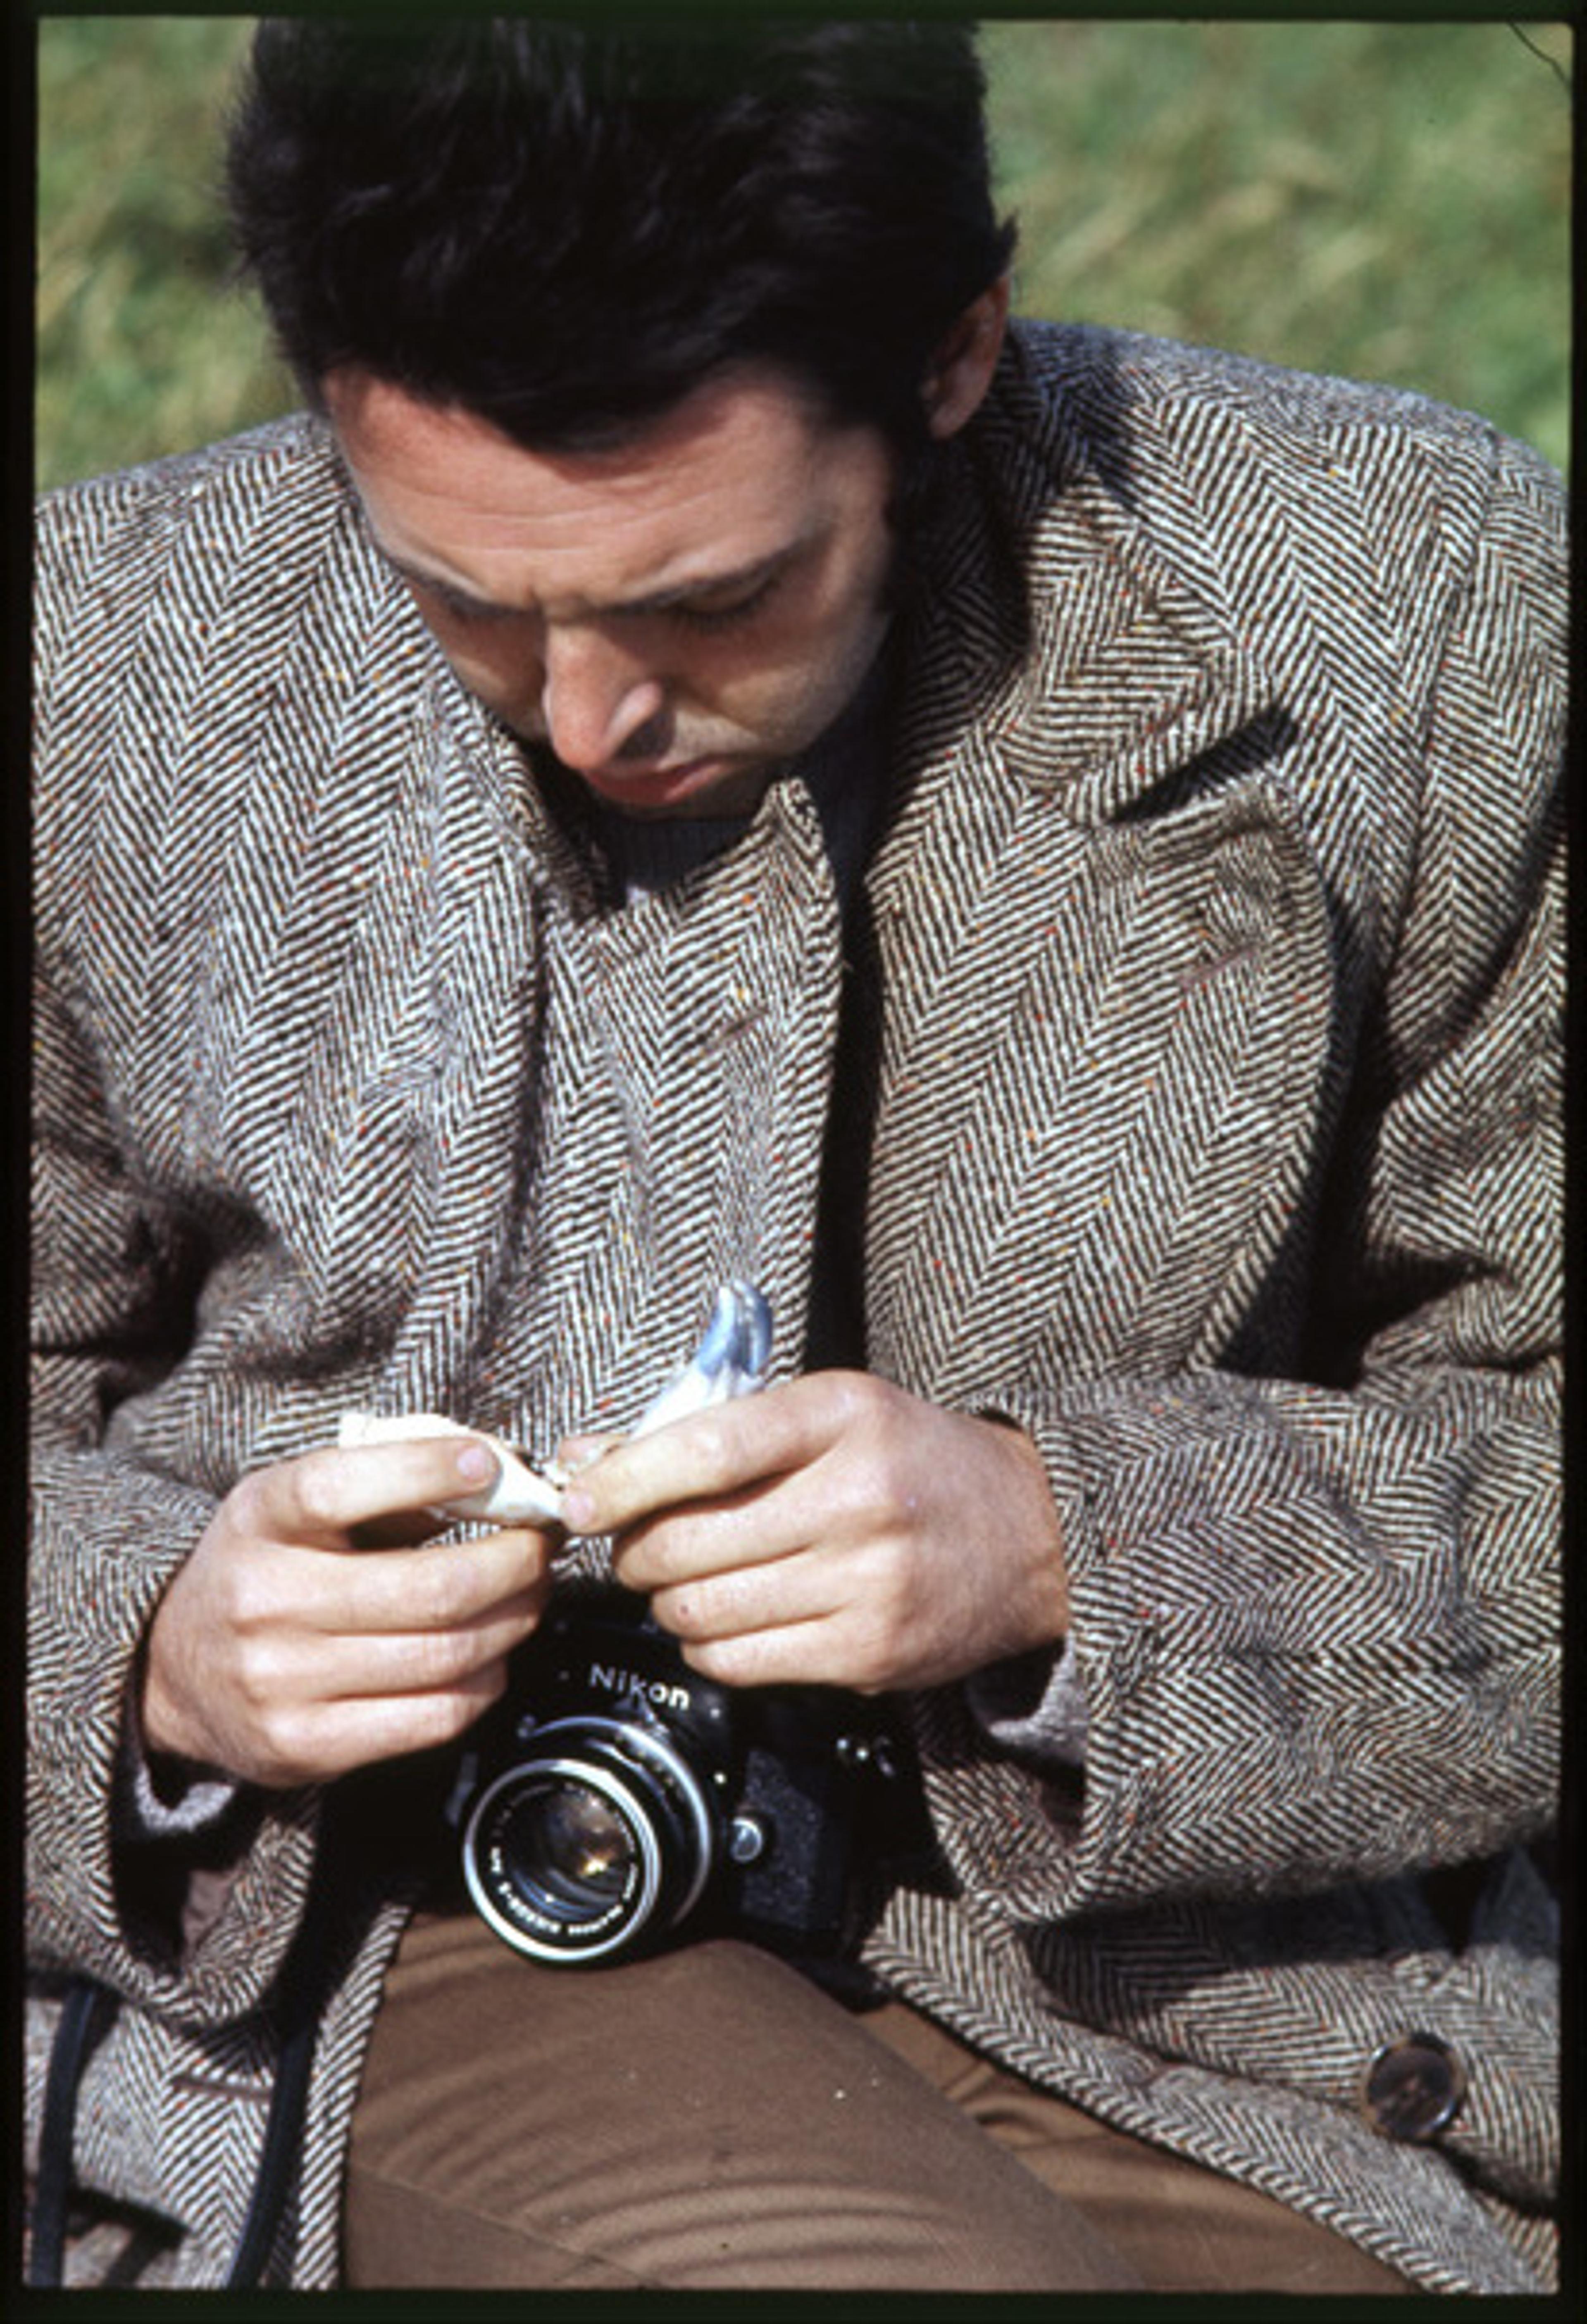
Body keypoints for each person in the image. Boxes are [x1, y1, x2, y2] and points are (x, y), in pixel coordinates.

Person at [28, 14, 1561, 2297]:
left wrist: (1070, 1550)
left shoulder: (1415, 618)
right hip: (376, 1940)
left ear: (950, 362)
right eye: (453, 592)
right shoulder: (99, 661)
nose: (584, 718)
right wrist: (149, 1652)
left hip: (1240, 2003)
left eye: (710, 598)